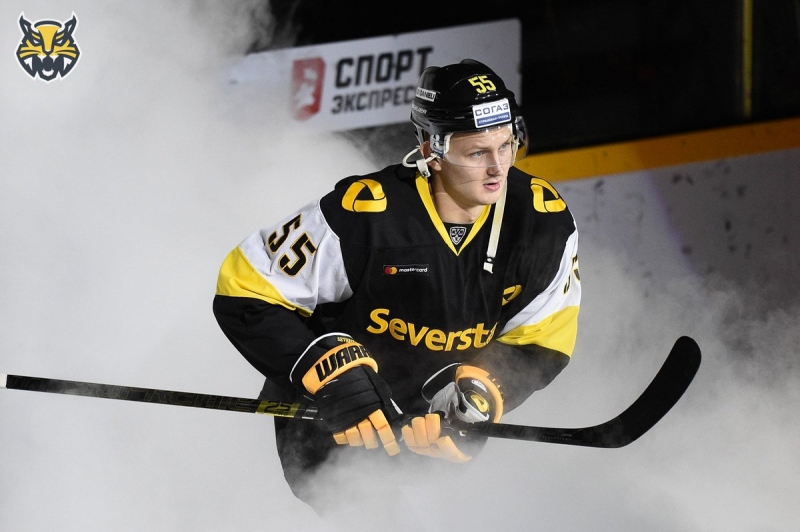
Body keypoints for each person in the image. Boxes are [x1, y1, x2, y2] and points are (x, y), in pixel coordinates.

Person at [213, 59, 580, 526]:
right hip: (334, 418)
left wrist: (484, 391)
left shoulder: (541, 220)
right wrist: (325, 372)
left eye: (507, 145)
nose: (497, 168)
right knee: (359, 515)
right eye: (476, 152)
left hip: (437, 424)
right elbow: (244, 289)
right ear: (431, 148)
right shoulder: (365, 215)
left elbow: (544, 338)